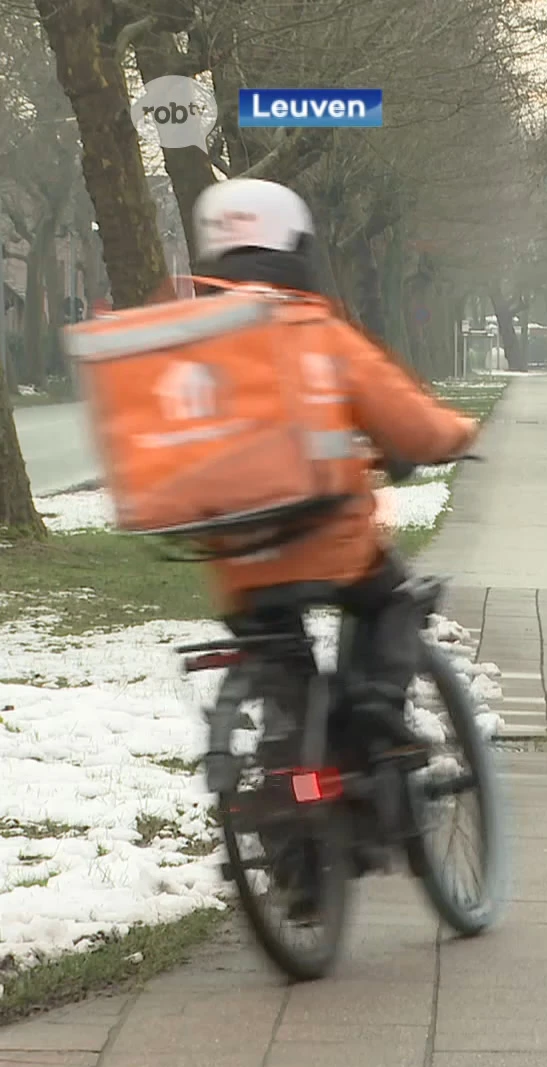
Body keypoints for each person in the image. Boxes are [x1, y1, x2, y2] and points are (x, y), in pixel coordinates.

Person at [188, 177, 478, 773]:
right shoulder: (317, 332)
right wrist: (459, 435)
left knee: (284, 677)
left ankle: (283, 795)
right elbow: (414, 427)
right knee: (392, 601)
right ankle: (376, 717)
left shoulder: (187, 347)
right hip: (328, 545)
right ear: (295, 250)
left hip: (236, 561)